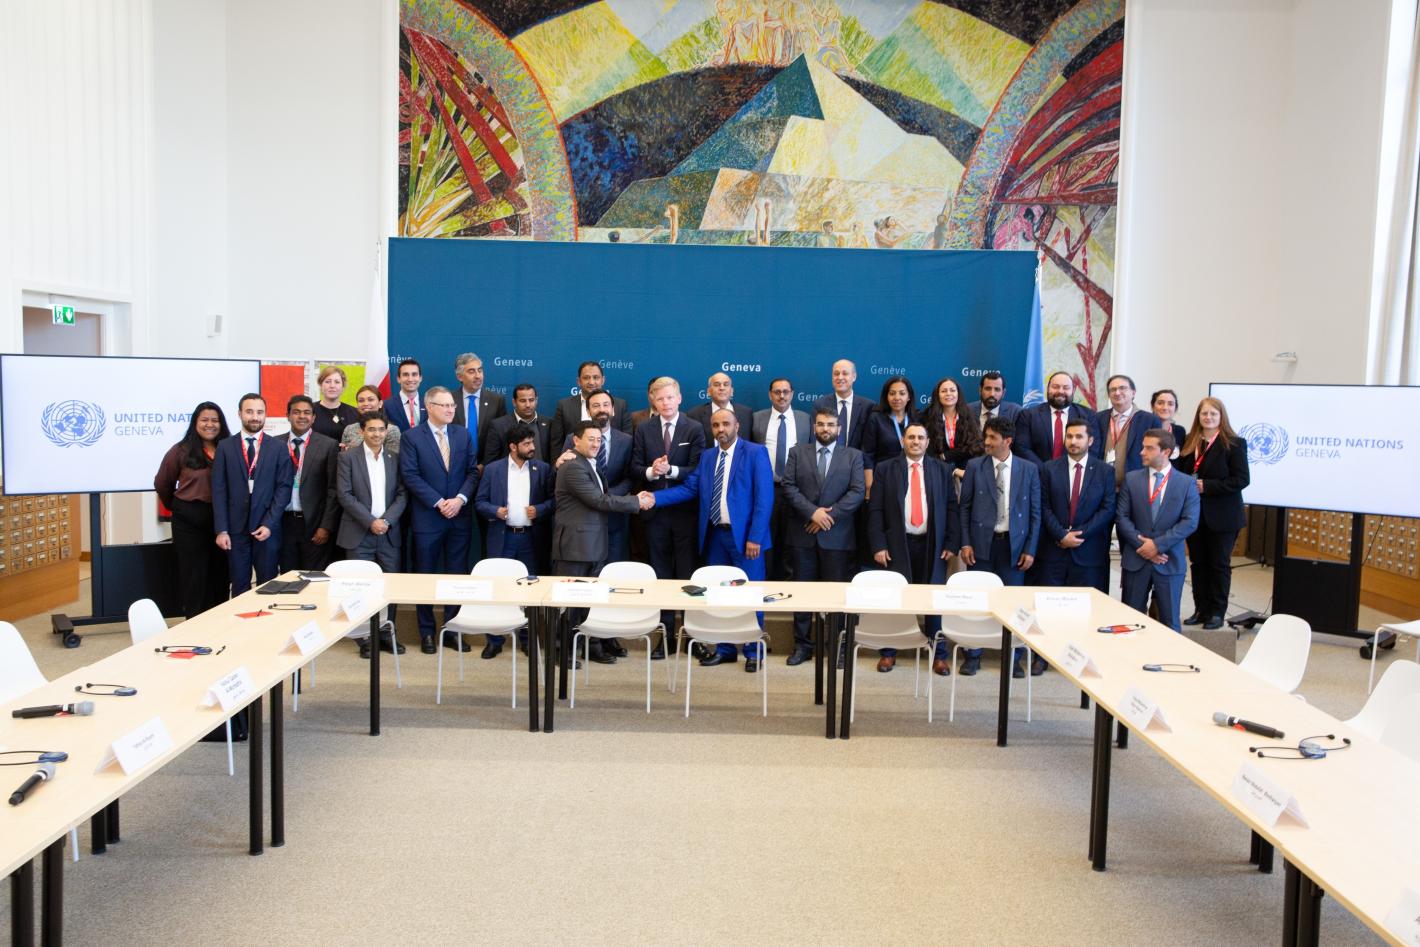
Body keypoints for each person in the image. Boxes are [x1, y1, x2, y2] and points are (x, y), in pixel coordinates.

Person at [649, 408, 775, 671]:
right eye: (716, 425)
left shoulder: (755, 452)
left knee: (751, 594)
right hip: (716, 536)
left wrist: (755, 537)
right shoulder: (708, 457)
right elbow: (689, 488)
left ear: (737, 426)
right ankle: (725, 649)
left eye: (726, 424)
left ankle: (753, 651)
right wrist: (653, 498)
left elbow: (764, 499)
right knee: (719, 595)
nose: (721, 429)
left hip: (746, 539)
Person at [552, 421, 650, 663]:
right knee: (569, 604)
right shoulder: (573, 466)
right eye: (591, 439)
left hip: (592, 544)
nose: (596, 444)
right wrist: (635, 502)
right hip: (575, 547)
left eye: (599, 440)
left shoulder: (588, 463)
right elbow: (598, 500)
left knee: (588, 602)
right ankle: (561, 653)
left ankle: (589, 647)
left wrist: (633, 499)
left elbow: (602, 497)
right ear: (576, 440)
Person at [867, 423, 957, 674]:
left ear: (927, 442)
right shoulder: (885, 469)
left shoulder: (942, 469)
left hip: (933, 545)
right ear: (902, 441)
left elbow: (952, 507)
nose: (915, 441)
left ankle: (938, 655)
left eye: (920, 438)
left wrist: (951, 542)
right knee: (894, 600)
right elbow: (875, 509)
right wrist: (878, 544)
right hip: (897, 544)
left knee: (933, 601)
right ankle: (888, 652)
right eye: (911, 437)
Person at [780, 407, 865, 666]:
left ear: (839, 429)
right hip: (802, 534)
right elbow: (788, 486)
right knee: (802, 594)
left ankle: (837, 647)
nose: (825, 429)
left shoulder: (853, 456)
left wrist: (827, 516)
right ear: (814, 427)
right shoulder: (797, 453)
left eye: (830, 424)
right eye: (820, 424)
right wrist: (813, 513)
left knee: (836, 596)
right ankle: (802, 646)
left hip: (837, 537)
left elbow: (857, 491)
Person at [957, 416, 1040, 676]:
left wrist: (1030, 549)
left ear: (1008, 441)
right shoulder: (975, 466)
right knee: (978, 602)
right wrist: (965, 542)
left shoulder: (1029, 469)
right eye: (986, 436)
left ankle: (1012, 657)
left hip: (1013, 547)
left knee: (1013, 605)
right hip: (981, 545)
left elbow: (1035, 513)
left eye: (993, 437)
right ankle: (973, 654)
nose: (987, 442)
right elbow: (964, 508)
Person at [400, 386, 479, 654]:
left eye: (452, 405)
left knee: (456, 575)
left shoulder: (462, 434)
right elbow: (410, 475)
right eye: (444, 405)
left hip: (459, 516)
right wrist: (438, 502)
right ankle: (426, 632)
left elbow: (472, 472)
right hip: (428, 518)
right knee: (425, 574)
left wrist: (459, 499)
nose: (450, 409)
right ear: (429, 407)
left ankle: (452, 630)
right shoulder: (412, 437)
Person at [633, 376, 706, 657]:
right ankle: (664, 637)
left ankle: (690, 636)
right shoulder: (644, 428)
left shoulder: (694, 428)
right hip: (655, 514)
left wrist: (671, 470)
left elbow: (699, 469)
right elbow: (634, 467)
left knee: (687, 574)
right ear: (653, 400)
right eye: (660, 398)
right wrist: (652, 471)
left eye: (670, 397)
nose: (665, 403)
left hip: (686, 513)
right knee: (661, 575)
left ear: (679, 398)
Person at [474, 422, 554, 658]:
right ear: (512, 447)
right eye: (526, 444)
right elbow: (480, 502)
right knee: (498, 589)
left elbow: (554, 500)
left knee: (529, 592)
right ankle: (495, 640)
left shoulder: (542, 469)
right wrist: (495, 511)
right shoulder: (493, 470)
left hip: (530, 539)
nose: (532, 447)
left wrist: (540, 509)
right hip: (503, 537)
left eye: (532, 442)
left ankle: (527, 639)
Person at [1173, 398, 1249, 630]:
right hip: (1195, 515)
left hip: (1223, 516)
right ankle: (1201, 609)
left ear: (1221, 417)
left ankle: (1217, 612)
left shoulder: (1234, 444)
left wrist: (1208, 486)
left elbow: (1241, 479)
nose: (1208, 418)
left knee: (1218, 564)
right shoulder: (1189, 443)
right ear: (1198, 416)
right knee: (1198, 563)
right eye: (1204, 414)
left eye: (1213, 414)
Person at [336, 411, 407, 659]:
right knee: (360, 588)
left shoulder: (394, 458)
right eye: (371, 429)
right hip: (359, 532)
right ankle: (364, 636)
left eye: (381, 429)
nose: (377, 434)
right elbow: (344, 495)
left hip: (388, 533)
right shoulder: (347, 458)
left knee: (389, 586)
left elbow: (402, 494)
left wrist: (386, 521)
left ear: (386, 432)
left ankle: (386, 633)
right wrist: (370, 522)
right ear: (362, 431)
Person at [1117, 429, 1200, 631]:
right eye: (1143, 447)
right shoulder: (1131, 479)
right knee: (1130, 621)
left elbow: (1190, 522)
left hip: (1169, 560)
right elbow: (1122, 517)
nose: (1142, 452)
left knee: (1170, 623)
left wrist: (1157, 546)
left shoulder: (1186, 483)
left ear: (1166, 452)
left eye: (1149, 448)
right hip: (1136, 559)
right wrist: (1144, 546)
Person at [212, 393, 294, 595]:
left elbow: (284, 488)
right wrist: (222, 529)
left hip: (266, 528)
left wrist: (269, 523)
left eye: (260, 412)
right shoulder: (225, 447)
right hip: (234, 530)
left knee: (268, 586)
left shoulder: (278, 448)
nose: (255, 417)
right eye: (249, 412)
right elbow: (219, 490)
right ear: (239, 414)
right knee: (239, 585)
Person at [154, 401, 231, 617]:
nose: (210, 424)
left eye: (215, 420)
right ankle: (194, 622)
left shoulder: (229, 448)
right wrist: (177, 506)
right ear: (195, 423)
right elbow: (162, 483)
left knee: (221, 573)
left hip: (222, 521)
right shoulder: (181, 450)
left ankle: (218, 622)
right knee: (194, 576)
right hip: (189, 520)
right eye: (204, 420)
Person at [1038, 418, 1115, 597]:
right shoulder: (1048, 468)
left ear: (1090, 440)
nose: (1073, 441)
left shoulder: (1105, 471)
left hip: (1089, 554)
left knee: (1087, 607)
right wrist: (1062, 535)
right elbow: (1043, 506)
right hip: (1054, 553)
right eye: (1069, 436)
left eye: (1079, 437)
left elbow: (1107, 509)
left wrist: (1078, 534)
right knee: (1050, 607)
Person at [558, 388, 635, 567]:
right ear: (588, 411)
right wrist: (557, 464)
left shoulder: (626, 440)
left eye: (606, 405)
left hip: (615, 519)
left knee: (615, 571)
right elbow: (564, 473)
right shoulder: (572, 439)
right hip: (583, 523)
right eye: (596, 405)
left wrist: (608, 496)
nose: (602, 409)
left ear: (613, 410)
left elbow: (630, 476)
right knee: (586, 577)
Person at [752, 376, 810, 581]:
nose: (782, 396)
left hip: (796, 490)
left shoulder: (805, 419)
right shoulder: (757, 418)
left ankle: (788, 584)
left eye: (786, 392)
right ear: (770, 395)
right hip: (766, 489)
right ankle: (765, 582)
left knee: (791, 541)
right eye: (777, 392)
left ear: (792, 394)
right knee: (766, 538)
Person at [276, 395, 340, 573]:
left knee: (314, 577)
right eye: (296, 412)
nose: (302, 416)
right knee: (287, 576)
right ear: (288, 416)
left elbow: (333, 490)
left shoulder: (328, 445)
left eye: (306, 412)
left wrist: (325, 526)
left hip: (313, 524)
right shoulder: (274, 444)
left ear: (313, 417)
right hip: (283, 523)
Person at [1014, 371, 1097, 467]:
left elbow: (1093, 449)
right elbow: (1022, 448)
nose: (1060, 391)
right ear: (1048, 388)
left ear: (1073, 390)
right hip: (1038, 473)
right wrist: (1045, 470)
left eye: (1066, 388)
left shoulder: (1088, 416)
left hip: (1075, 473)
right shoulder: (1028, 415)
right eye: (1055, 387)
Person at [1092, 374, 1161, 485]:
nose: (1117, 393)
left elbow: (1155, 455)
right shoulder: (1098, 418)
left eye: (1122, 388)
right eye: (1113, 390)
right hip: (1102, 484)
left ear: (1133, 393)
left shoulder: (1150, 420)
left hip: (1135, 485)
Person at [551, 360, 632, 447]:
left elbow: (627, 443)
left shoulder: (620, 405)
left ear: (603, 380)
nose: (591, 382)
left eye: (596, 377)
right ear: (578, 381)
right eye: (586, 378)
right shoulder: (564, 406)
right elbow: (556, 444)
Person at [450, 351, 506, 474]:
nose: (478, 376)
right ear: (459, 377)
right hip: (455, 468)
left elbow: (501, 438)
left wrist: (485, 464)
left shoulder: (496, 400)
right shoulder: (449, 400)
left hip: (487, 469)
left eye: (480, 370)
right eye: (471, 371)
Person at [860, 375, 917, 489]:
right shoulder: (876, 418)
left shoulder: (917, 419)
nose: (897, 397)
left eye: (902, 393)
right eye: (892, 393)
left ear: (909, 397)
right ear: (886, 396)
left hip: (913, 476)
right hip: (883, 478)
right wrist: (869, 486)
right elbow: (867, 454)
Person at [923, 376, 983, 477]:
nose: (948, 394)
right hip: (938, 470)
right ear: (937, 395)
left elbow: (975, 446)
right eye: (944, 391)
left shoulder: (969, 414)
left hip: (966, 471)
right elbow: (928, 450)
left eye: (952, 390)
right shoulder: (927, 416)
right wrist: (950, 468)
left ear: (958, 393)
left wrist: (946, 456)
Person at [483, 383, 552, 464]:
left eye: (531, 400)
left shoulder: (549, 423)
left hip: (543, 472)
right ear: (514, 402)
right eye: (523, 401)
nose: (528, 405)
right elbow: (491, 463)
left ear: (536, 400)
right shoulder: (498, 426)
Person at [813, 358, 874, 449]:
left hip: (858, 457)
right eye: (836, 374)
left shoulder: (868, 407)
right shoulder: (820, 404)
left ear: (854, 377)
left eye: (845, 373)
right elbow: (815, 439)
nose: (840, 377)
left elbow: (870, 443)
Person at [341, 384, 403, 456]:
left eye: (370, 400)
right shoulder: (349, 429)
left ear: (380, 404)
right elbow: (344, 457)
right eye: (361, 400)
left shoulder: (391, 430)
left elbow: (391, 459)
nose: (366, 403)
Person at [687, 371, 754, 433]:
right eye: (717, 385)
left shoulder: (746, 413)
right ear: (709, 391)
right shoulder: (694, 415)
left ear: (731, 391)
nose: (722, 388)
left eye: (726, 384)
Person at [310, 365, 361, 442]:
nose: (332, 386)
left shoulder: (354, 413)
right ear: (320, 385)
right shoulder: (309, 410)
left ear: (343, 386)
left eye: (337, 382)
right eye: (328, 382)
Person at [384, 358, 423, 433]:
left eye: (414, 374)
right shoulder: (386, 406)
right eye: (405, 375)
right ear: (398, 379)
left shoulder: (428, 404)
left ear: (420, 378)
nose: (410, 379)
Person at [1150, 388, 1186, 457]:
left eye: (1170, 404)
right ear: (1153, 407)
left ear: (1175, 409)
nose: (1165, 408)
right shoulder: (1144, 429)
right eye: (1160, 403)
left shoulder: (1180, 431)